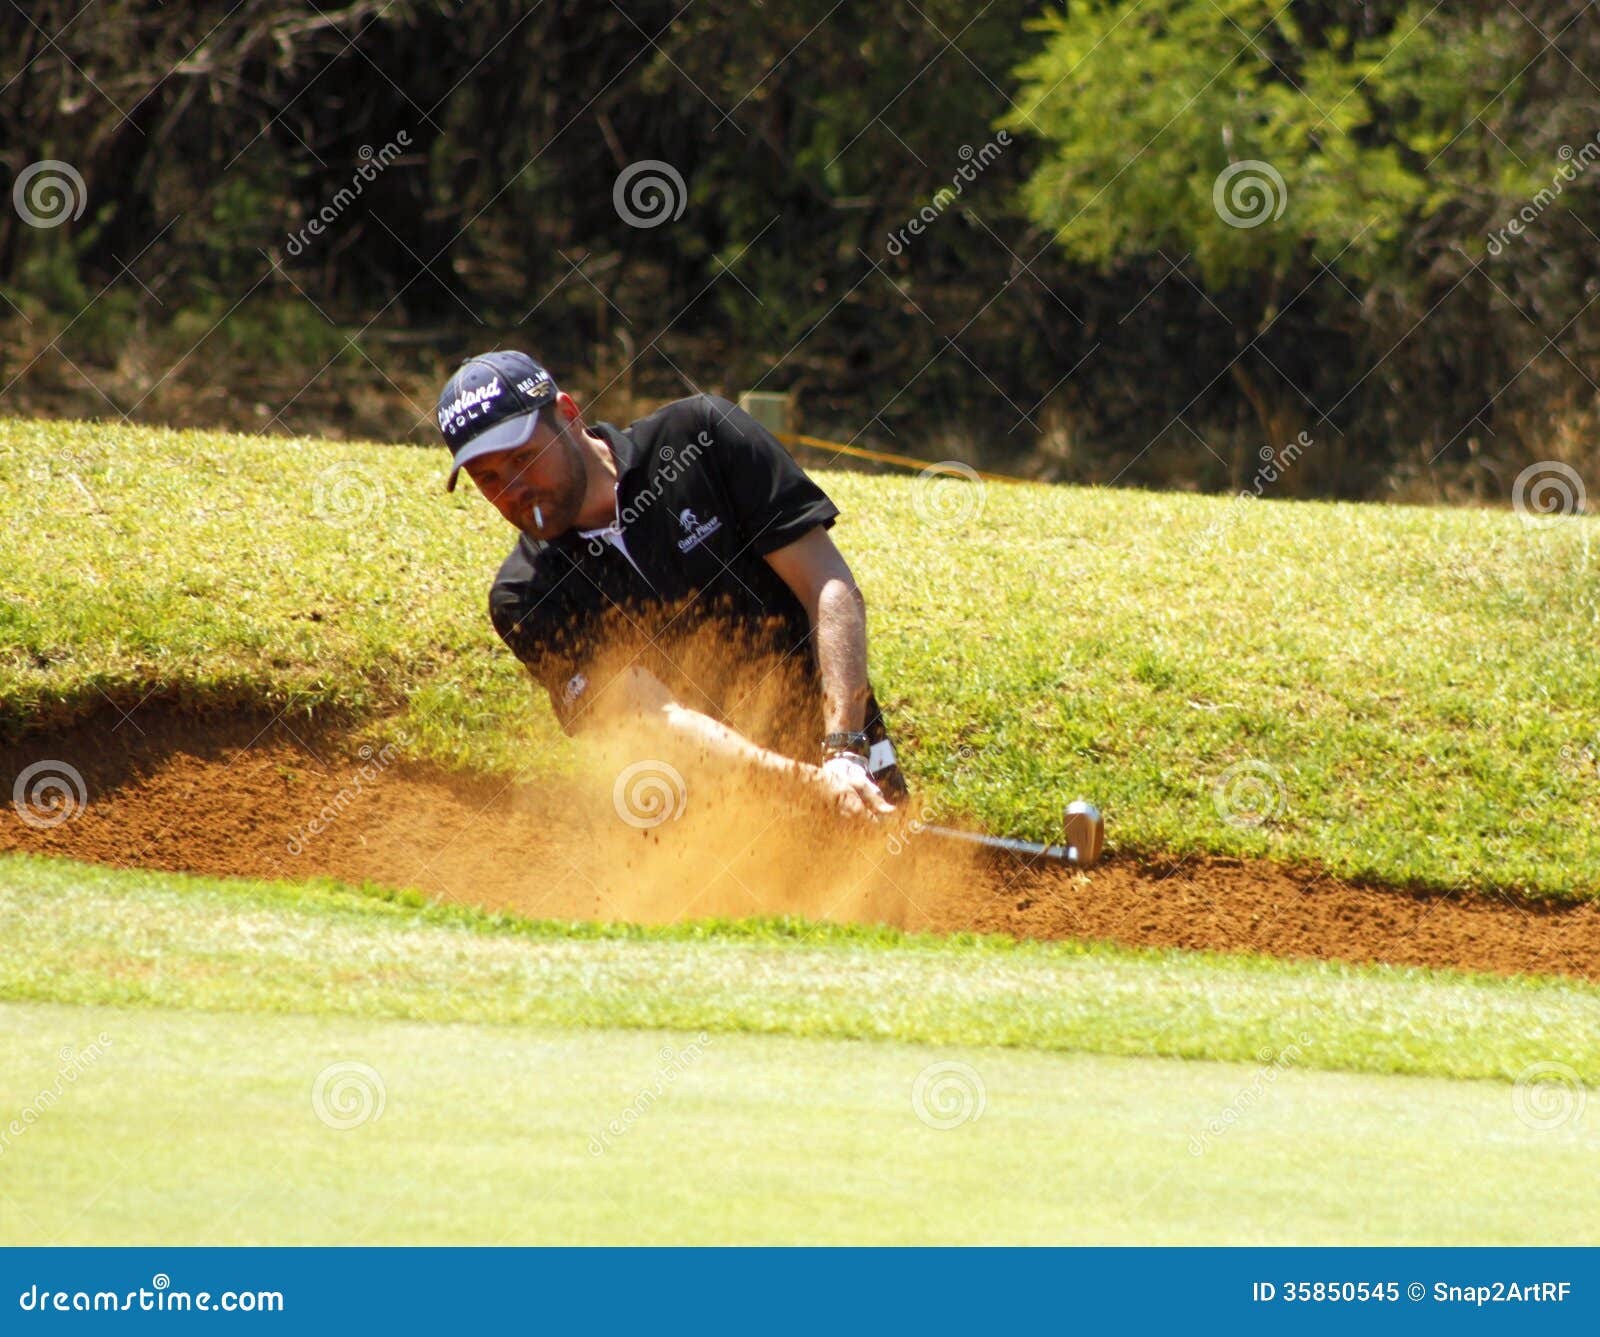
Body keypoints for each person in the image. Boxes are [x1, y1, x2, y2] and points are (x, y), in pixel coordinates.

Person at [435, 350, 908, 819]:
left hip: (848, 755)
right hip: (706, 820)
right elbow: (654, 719)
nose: (514, 490)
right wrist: (807, 786)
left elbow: (825, 583)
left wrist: (844, 753)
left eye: (524, 457)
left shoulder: (702, 439)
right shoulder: (528, 596)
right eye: (488, 477)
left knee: (896, 888)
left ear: (568, 414)